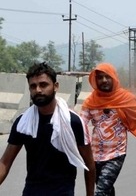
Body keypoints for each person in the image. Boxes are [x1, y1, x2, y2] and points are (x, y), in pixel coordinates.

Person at [0, 62, 95, 195]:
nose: (38, 90)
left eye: (43, 85)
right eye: (33, 86)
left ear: (56, 86)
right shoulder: (23, 123)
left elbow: (89, 164)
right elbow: (4, 163)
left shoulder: (73, 122)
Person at [80, 63, 136, 196]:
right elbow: (81, 123)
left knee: (101, 190)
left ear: (114, 78)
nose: (104, 80)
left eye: (107, 77)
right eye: (100, 77)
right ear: (95, 80)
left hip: (116, 154)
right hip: (94, 155)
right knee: (107, 190)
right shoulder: (90, 101)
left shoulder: (126, 99)